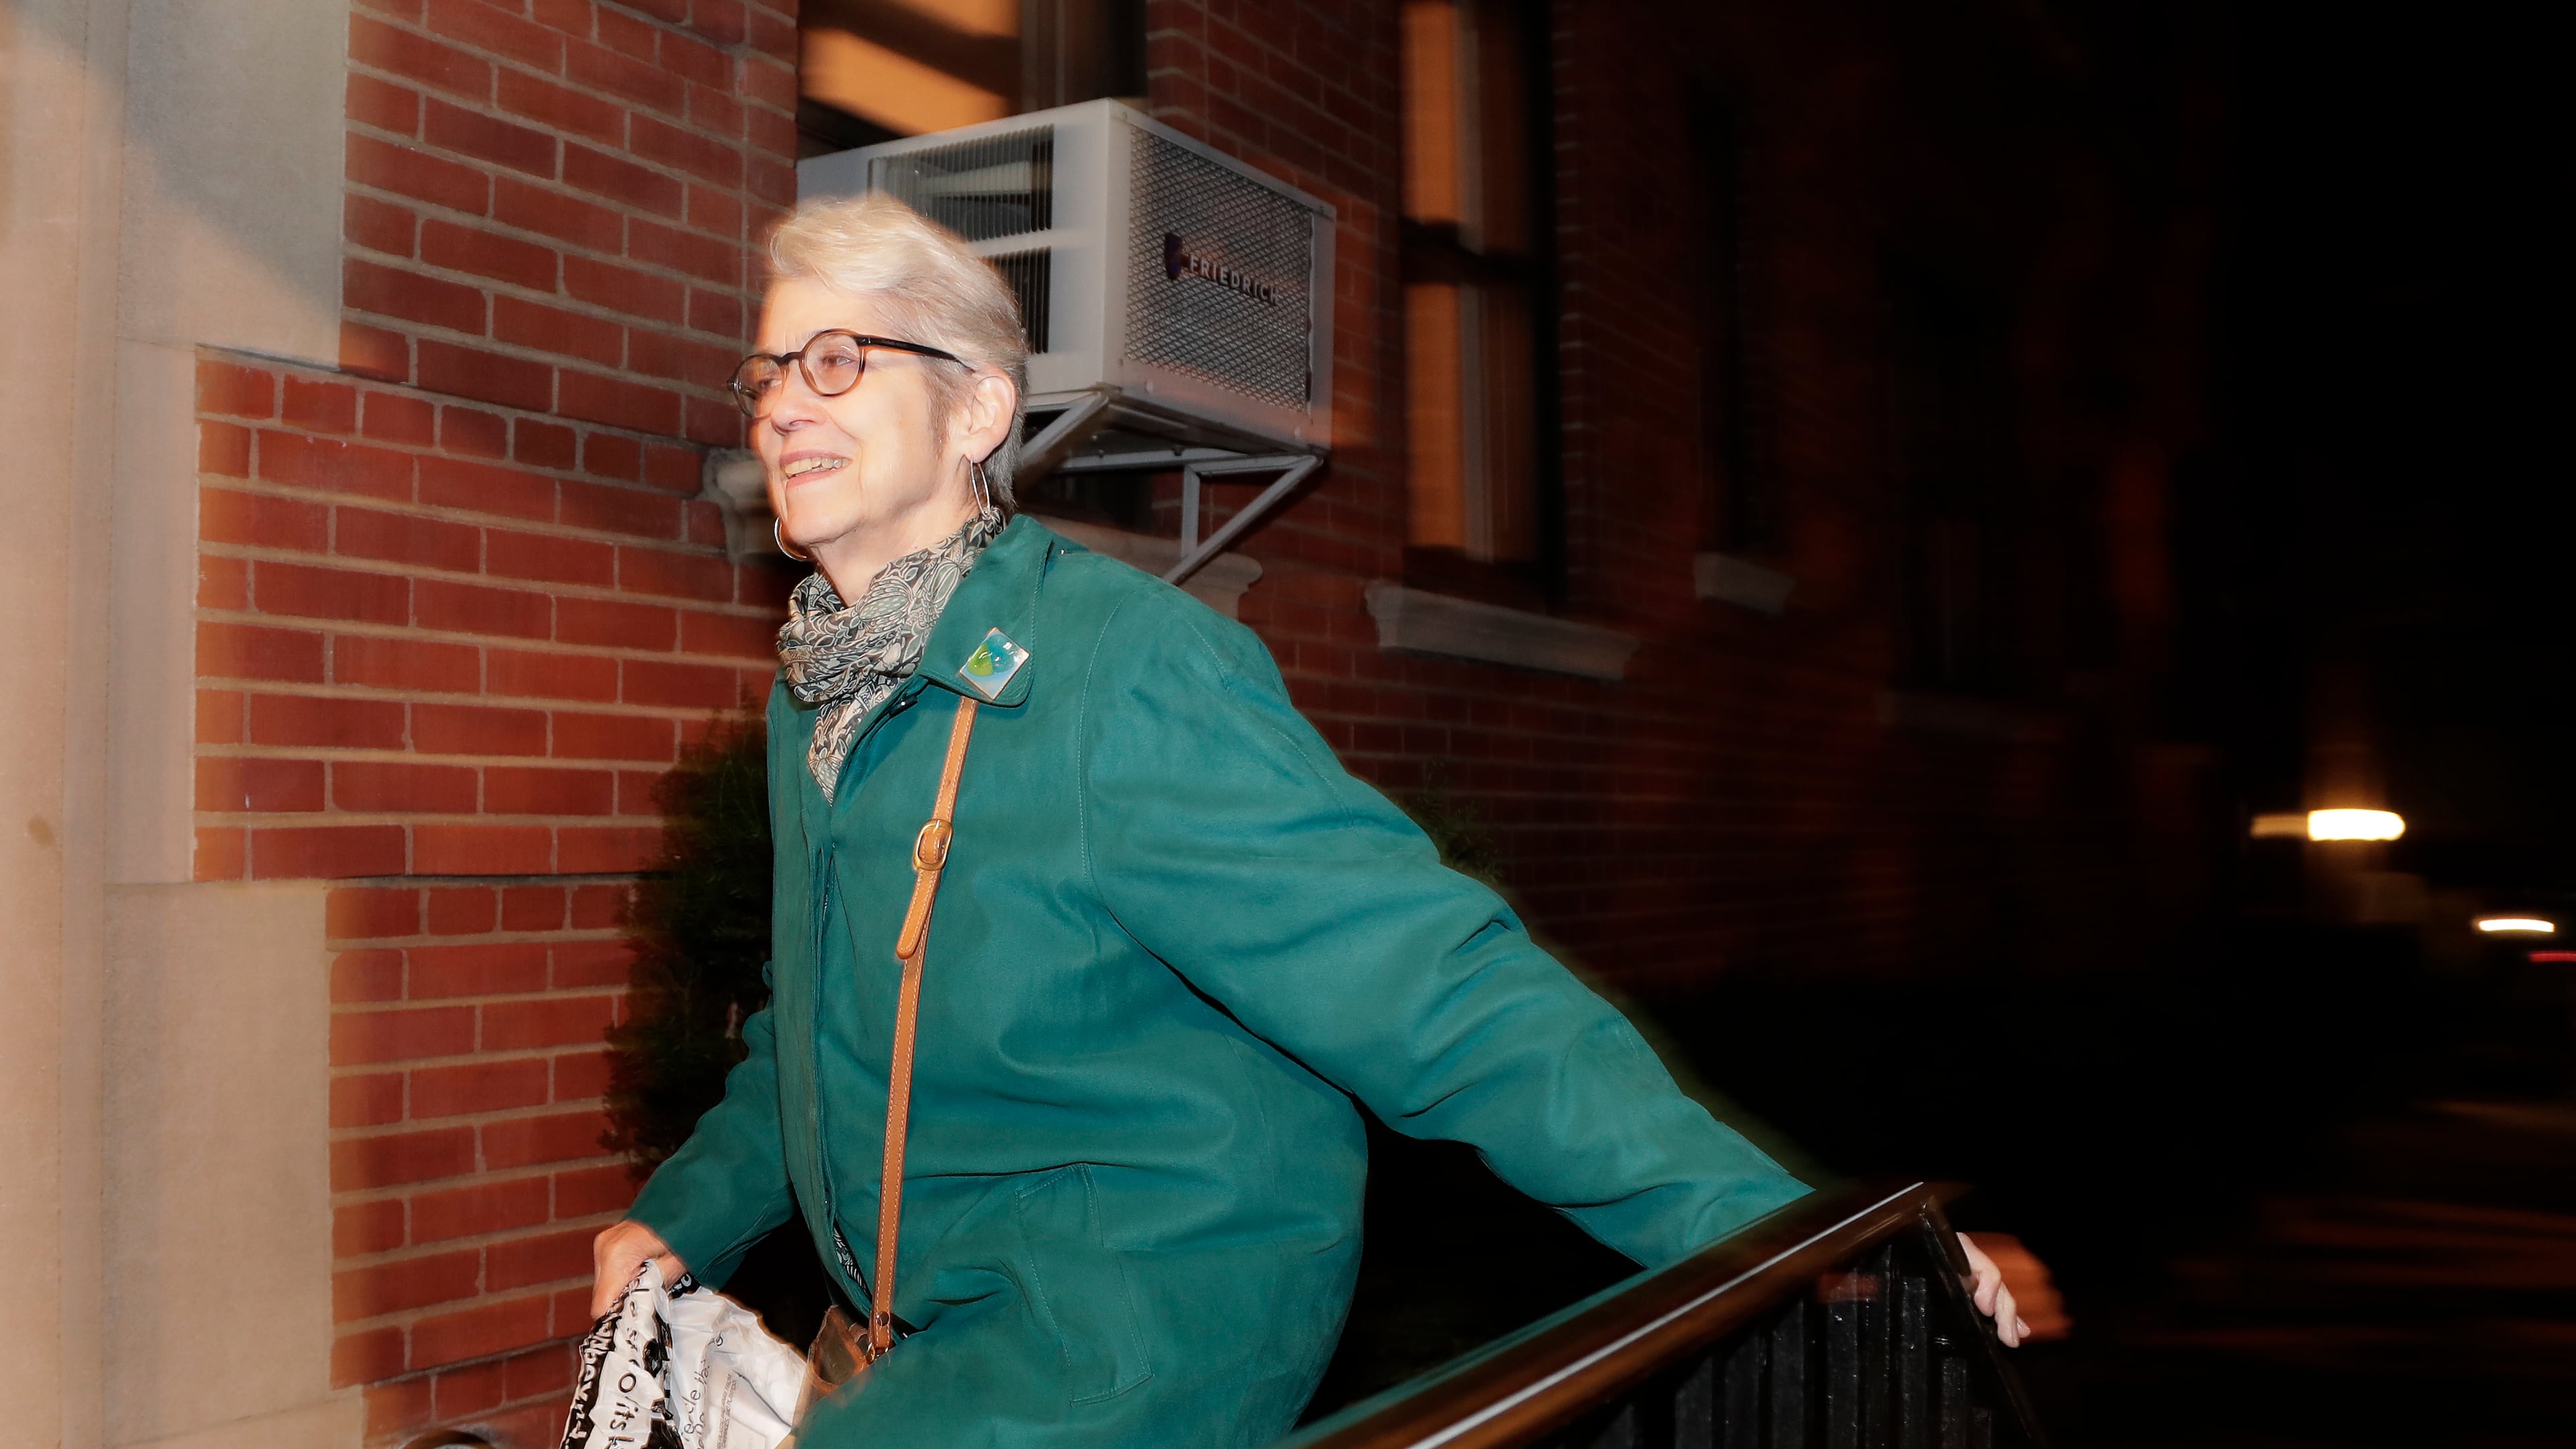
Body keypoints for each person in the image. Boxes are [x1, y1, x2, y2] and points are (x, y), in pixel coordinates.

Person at [590, 193, 2024, 1448]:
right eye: (769, 367)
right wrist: (678, 1222)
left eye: (838, 360)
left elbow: (1437, 990)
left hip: (1124, 1349)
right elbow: (812, 1030)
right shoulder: (824, 694)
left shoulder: (1119, 671)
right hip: (919, 1346)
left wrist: (1797, 1244)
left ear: (977, 409)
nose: (782, 403)